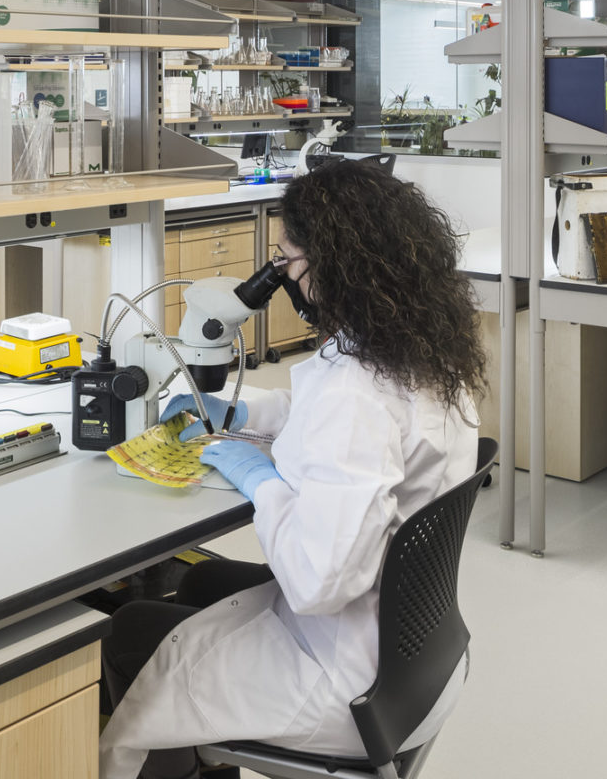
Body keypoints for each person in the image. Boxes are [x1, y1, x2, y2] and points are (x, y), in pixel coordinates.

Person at [98, 161, 488, 779]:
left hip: (346, 682)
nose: (281, 277)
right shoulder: (420, 350)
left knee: (130, 627)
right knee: (199, 585)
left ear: (330, 267)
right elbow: (333, 420)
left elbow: (317, 580)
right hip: (417, 656)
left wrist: (262, 481)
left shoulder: (357, 394)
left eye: (287, 261)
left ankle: (175, 758)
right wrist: (246, 409)